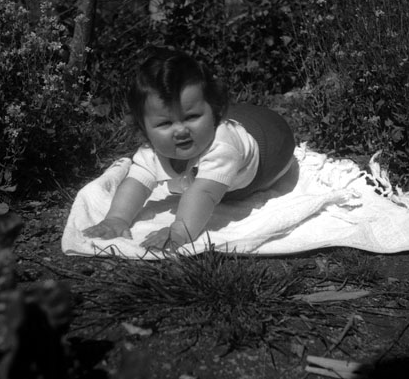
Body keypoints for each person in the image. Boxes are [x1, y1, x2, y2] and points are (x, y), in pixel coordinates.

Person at [82, 50, 297, 250]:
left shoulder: (222, 147)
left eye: (192, 117)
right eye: (165, 123)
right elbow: (136, 182)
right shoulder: (153, 149)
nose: (181, 130)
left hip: (273, 145)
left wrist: (180, 230)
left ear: (216, 113)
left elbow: (204, 193)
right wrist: (117, 218)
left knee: (215, 178)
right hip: (241, 118)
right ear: (144, 129)